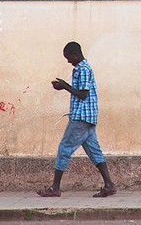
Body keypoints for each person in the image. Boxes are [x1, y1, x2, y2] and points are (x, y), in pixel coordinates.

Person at [37, 42, 117, 198]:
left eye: (69, 58)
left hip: (82, 116)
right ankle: (109, 185)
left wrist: (65, 86)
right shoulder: (80, 69)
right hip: (86, 117)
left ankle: (55, 188)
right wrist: (65, 86)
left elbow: (83, 95)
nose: (68, 61)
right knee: (94, 151)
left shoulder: (84, 70)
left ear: (75, 54)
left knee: (64, 148)